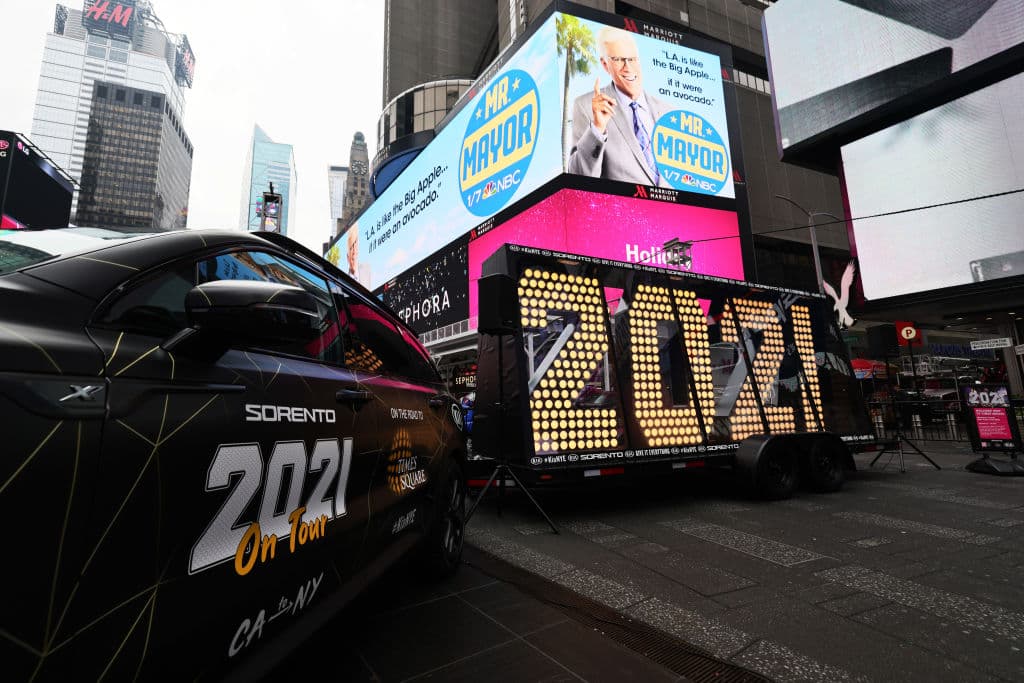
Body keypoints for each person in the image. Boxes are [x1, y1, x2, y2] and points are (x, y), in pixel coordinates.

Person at [567, 26, 672, 187]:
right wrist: (597, 129)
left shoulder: (667, 111)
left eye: (632, 59)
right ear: (605, 64)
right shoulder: (586, 106)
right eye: (619, 60)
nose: (628, 67)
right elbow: (578, 177)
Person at [345, 224, 371, 288]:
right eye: (351, 248)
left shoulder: (366, 269)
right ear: (347, 257)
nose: (353, 251)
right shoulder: (344, 281)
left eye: (355, 245)